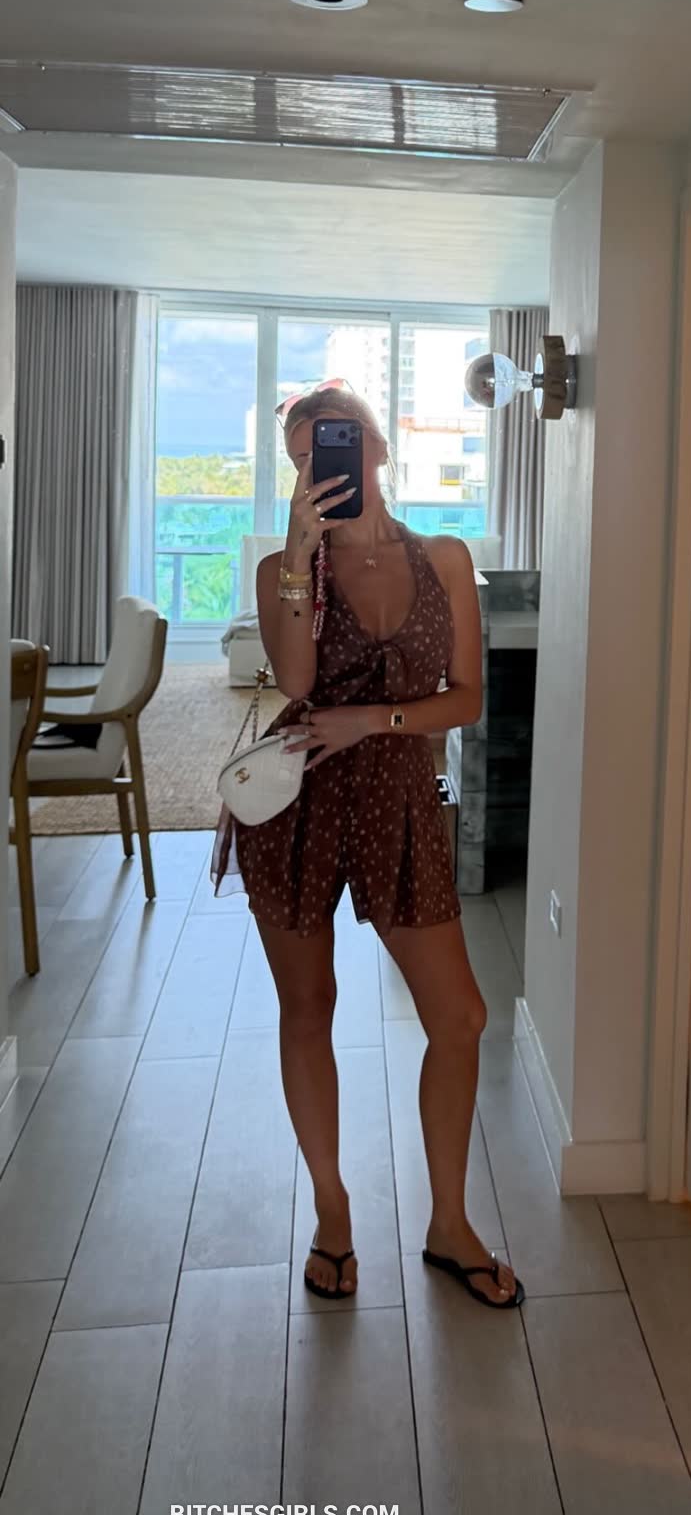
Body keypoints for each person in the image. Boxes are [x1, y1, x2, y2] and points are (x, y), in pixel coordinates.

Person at [212, 382, 521, 1308]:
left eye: (335, 445)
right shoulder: (285, 569)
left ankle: (449, 1224)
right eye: (304, 457)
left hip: (399, 799)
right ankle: (333, 1211)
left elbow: (465, 699)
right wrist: (299, 556)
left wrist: (372, 721)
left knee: (459, 1017)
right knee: (309, 1008)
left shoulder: (445, 559)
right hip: (298, 800)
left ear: (377, 447)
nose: (322, 466)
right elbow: (295, 679)